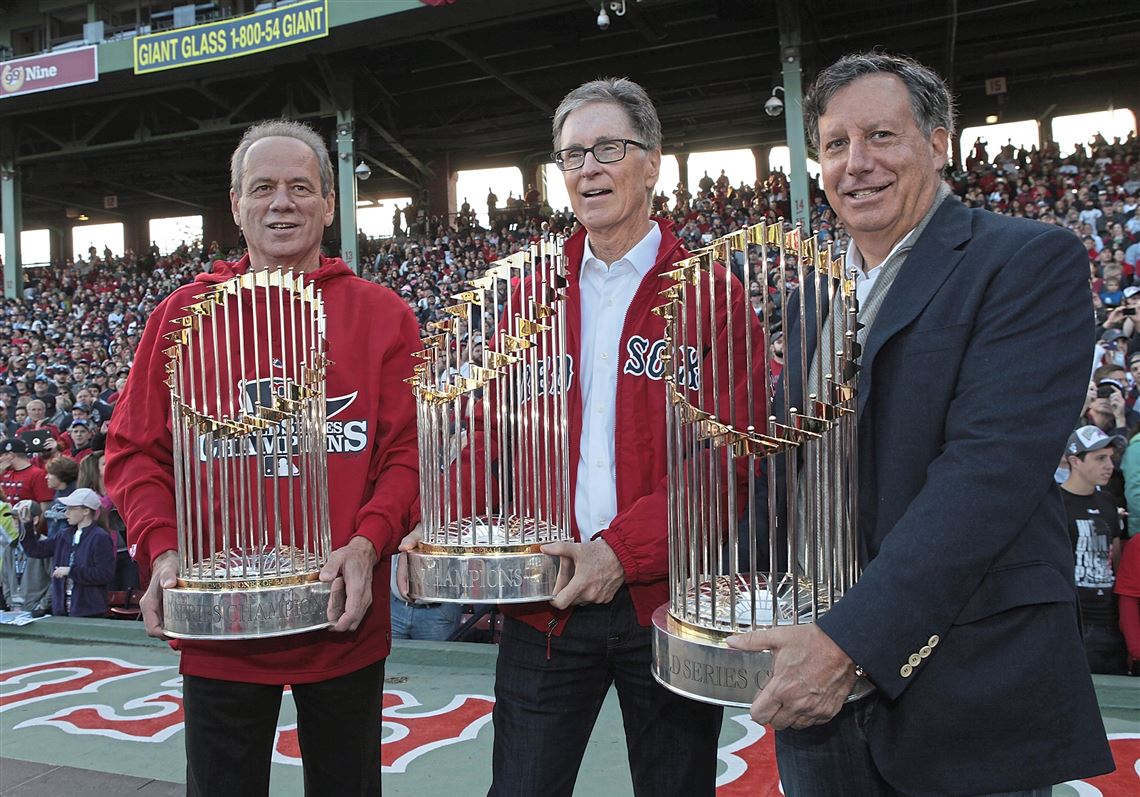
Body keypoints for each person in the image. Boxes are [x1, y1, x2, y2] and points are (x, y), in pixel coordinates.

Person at [728, 52, 1113, 796]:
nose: (856, 164)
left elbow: (987, 475)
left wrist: (850, 640)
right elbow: (790, 464)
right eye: (835, 145)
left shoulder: (1025, 260)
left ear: (938, 144)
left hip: (966, 684)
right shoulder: (812, 300)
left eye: (881, 136)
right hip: (819, 695)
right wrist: (737, 579)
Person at [403, 77, 763, 797]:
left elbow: (729, 464)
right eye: (571, 155)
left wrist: (619, 553)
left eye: (608, 148)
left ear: (653, 161)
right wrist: (440, 528)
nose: (588, 168)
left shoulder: (710, 295)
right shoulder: (530, 295)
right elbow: (486, 433)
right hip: (544, 607)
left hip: (664, 606)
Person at [105, 120, 422, 797]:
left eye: (301, 187)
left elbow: (409, 452)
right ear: (237, 203)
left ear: (330, 204)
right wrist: (162, 551)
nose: (282, 203)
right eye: (264, 188)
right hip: (221, 626)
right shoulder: (181, 316)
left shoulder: (383, 314)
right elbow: (135, 452)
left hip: (343, 620)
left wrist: (368, 543)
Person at [1061, 425, 1128, 674]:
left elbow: (1116, 556)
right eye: (1100, 458)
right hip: (1072, 621)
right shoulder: (1055, 504)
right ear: (1075, 461)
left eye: (1111, 458)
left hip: (1109, 621)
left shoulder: (1108, 502)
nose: (1109, 465)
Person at [20, 487, 115, 618]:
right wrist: (27, 526)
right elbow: (35, 550)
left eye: (71, 508)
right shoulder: (64, 535)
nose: (66, 513)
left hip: (89, 612)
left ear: (86, 511)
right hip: (61, 611)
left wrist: (71, 571)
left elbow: (104, 574)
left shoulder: (100, 537)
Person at [0, 438, 54, 614]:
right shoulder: (5, 473)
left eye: (2, 456)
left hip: (32, 539)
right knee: (8, 577)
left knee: (34, 579)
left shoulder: (36, 474)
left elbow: (44, 509)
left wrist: (32, 531)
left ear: (10, 455)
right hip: (10, 537)